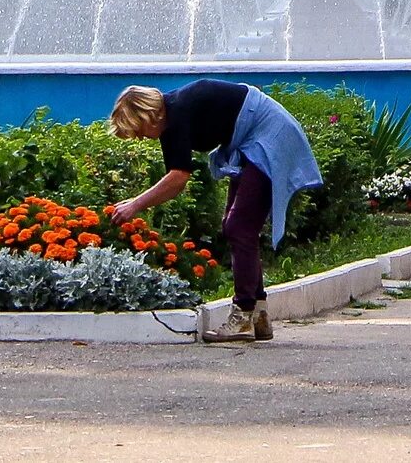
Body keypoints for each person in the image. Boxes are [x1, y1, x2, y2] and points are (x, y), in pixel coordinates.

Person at [109, 78, 324, 344]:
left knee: (239, 227)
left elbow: (177, 179)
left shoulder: (178, 114)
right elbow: (176, 176)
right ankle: (258, 315)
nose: (141, 138)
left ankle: (244, 315)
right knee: (236, 227)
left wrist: (135, 205)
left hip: (269, 134)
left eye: (138, 130)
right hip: (253, 138)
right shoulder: (171, 117)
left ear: (148, 115)